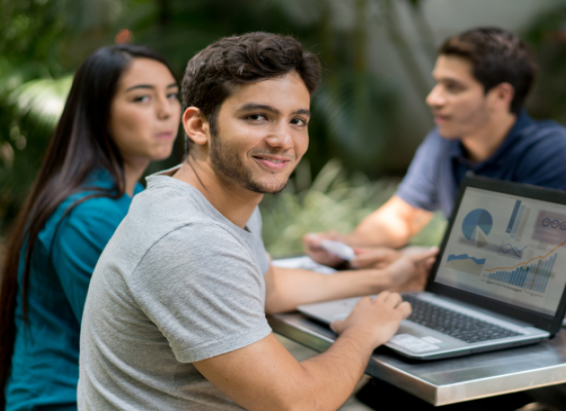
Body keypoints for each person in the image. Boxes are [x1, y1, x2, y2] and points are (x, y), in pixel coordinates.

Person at [77, 32, 436, 410]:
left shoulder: (219, 197)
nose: (283, 140)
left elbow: (271, 286)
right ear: (198, 126)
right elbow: (298, 404)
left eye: (297, 120)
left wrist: (388, 278)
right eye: (257, 117)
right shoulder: (189, 241)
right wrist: (363, 333)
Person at [0, 44, 181, 411]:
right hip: (63, 402)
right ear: (98, 113)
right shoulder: (87, 214)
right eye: (142, 98)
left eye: (171, 95)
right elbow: (147, 340)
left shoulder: (132, 197)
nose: (166, 110)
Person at [305, 26, 566, 269]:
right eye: (438, 83)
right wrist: (346, 245)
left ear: (500, 96)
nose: (434, 98)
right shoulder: (445, 143)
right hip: (458, 290)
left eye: (452, 87)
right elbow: (402, 217)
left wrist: (406, 261)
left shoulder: (554, 153)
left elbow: (531, 263)